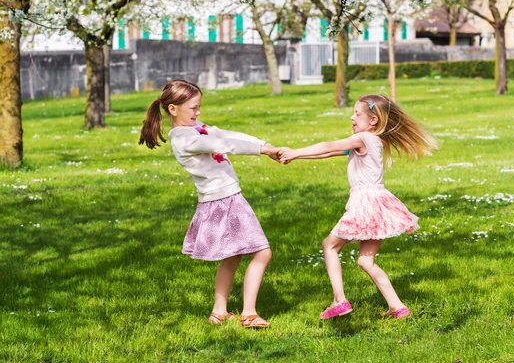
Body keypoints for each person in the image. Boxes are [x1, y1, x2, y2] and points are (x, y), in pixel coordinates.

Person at [278, 94, 438, 320]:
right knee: (365, 260)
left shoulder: (362, 138)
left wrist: (295, 152)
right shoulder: (372, 140)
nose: (352, 117)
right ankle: (397, 307)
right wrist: (297, 157)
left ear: (373, 120)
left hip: (365, 203)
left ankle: (339, 300)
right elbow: (331, 152)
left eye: (358, 114)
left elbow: (329, 145)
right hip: (379, 204)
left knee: (330, 246)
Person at [139, 80, 279, 328]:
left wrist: (264, 145)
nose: (198, 112)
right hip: (224, 201)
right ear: (173, 109)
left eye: (199, 106)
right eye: (193, 108)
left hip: (222, 199)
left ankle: (219, 312)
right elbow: (223, 144)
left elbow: (225, 134)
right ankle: (249, 313)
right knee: (262, 252)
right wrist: (262, 150)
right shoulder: (184, 138)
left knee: (233, 256)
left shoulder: (195, 129)